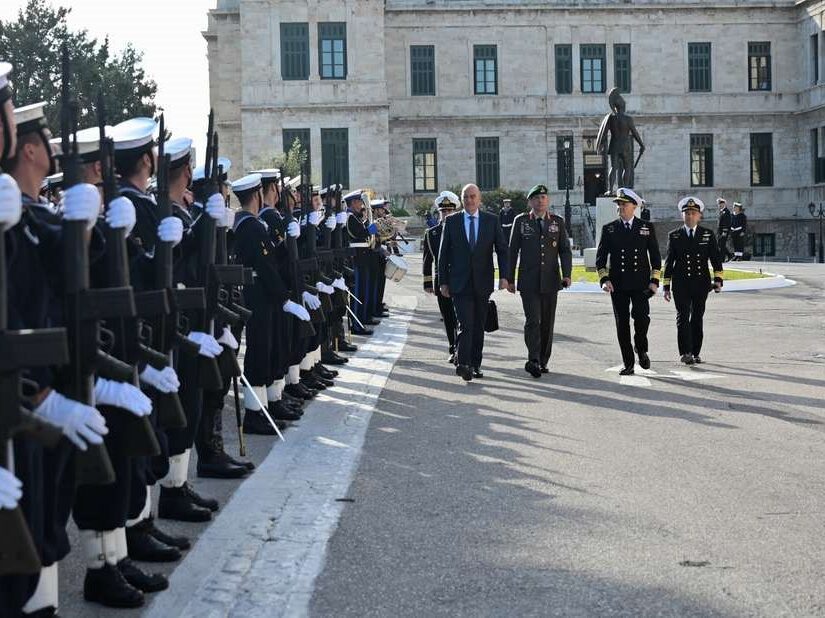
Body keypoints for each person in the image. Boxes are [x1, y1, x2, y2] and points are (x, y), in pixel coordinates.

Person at [437, 183, 508, 381]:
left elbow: (502, 250)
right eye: (466, 197)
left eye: (473, 196)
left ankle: (475, 364)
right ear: (462, 200)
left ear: (479, 199)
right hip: (459, 283)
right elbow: (443, 254)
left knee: (478, 325)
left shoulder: (491, 221)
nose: (469, 200)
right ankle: (463, 363)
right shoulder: (452, 221)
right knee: (466, 323)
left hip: (483, 282)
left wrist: (505, 276)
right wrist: (443, 281)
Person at [505, 184, 572, 378]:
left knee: (547, 323)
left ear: (547, 200)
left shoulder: (557, 222)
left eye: (543, 197)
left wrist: (567, 274)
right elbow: (512, 251)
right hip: (529, 280)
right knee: (533, 320)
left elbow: (564, 250)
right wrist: (509, 279)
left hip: (550, 280)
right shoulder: (521, 221)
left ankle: (543, 360)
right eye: (536, 198)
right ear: (530, 202)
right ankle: (533, 359)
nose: (540, 201)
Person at [595, 187, 661, 375]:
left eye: (624, 204)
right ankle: (628, 362)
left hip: (641, 283)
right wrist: (604, 279)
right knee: (622, 323)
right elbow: (600, 258)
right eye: (618, 204)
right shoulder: (609, 229)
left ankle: (641, 347)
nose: (620, 207)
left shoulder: (646, 227)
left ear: (634, 206)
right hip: (618, 284)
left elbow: (655, 257)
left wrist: (654, 281)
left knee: (642, 319)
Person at [662, 196, 724, 365]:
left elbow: (715, 259)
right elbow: (669, 262)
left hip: (700, 283)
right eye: (687, 213)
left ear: (699, 216)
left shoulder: (707, 234)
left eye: (693, 213)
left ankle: (695, 352)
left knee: (697, 318)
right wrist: (666, 286)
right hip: (681, 284)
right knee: (682, 317)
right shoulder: (674, 235)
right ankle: (685, 352)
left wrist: (718, 280)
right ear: (682, 215)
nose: (690, 216)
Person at [422, 190, 459, 363]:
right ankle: (452, 347)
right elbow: (427, 259)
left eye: (449, 210)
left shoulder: (461, 230)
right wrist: (427, 282)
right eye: (443, 211)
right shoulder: (432, 233)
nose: (446, 214)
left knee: (461, 317)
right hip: (441, 280)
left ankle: (461, 348)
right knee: (448, 317)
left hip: (460, 279)